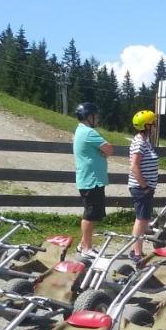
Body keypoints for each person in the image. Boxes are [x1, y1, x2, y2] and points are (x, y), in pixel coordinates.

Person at [72, 102, 113, 255]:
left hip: (89, 179)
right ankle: (87, 248)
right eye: (96, 116)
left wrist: (101, 152)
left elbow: (105, 150)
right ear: (89, 117)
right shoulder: (89, 133)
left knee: (92, 214)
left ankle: (83, 244)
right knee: (89, 215)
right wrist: (103, 152)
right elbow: (109, 149)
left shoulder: (80, 130)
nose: (98, 119)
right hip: (92, 180)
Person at [128, 109, 160, 262]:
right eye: (152, 124)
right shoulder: (140, 142)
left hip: (145, 188)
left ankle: (136, 249)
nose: (154, 127)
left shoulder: (145, 141)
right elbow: (134, 166)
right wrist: (145, 186)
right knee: (141, 220)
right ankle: (136, 253)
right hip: (141, 188)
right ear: (146, 126)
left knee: (143, 219)